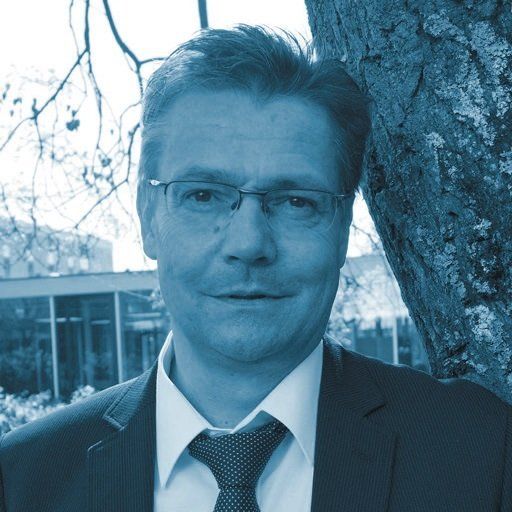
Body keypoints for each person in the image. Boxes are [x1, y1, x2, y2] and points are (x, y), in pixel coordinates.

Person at [0, 25, 511, 512]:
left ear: (342, 227)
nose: (248, 244)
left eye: (295, 201)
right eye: (203, 195)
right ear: (148, 216)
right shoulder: (21, 480)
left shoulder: (480, 454)